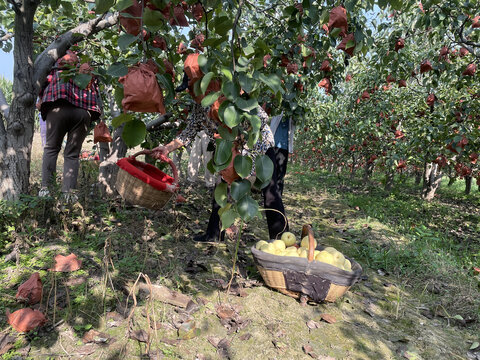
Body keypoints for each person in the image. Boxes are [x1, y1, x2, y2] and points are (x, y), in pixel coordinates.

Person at [153, 73, 288, 241]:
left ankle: (282, 240)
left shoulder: (228, 91)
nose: (190, 92)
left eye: (191, 87)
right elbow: (188, 133)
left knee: (270, 192)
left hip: (257, 145)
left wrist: (240, 144)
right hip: (228, 148)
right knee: (221, 190)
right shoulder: (199, 106)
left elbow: (260, 118)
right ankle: (215, 234)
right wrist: (166, 148)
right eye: (188, 89)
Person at [38, 50, 102, 201]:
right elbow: (96, 89)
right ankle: (69, 194)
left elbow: (40, 86)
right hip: (83, 113)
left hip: (58, 109)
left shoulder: (53, 68)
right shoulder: (85, 71)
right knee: (72, 154)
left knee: (51, 148)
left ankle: (46, 190)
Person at [268, 111, 295, 196]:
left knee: (280, 173)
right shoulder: (278, 110)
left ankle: (278, 196)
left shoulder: (293, 114)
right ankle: (268, 196)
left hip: (284, 147)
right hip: (272, 145)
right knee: (270, 173)